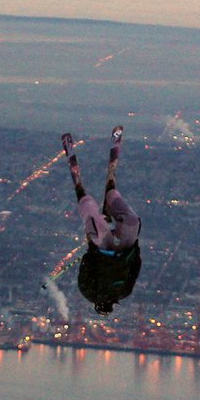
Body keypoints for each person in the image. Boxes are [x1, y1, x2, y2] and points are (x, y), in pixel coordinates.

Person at [63, 127, 142, 314]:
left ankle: (88, 198)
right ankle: (112, 196)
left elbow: (85, 269)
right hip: (123, 251)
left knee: (100, 223)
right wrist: (134, 250)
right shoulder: (123, 291)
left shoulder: (91, 292)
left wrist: (92, 249)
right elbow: (135, 268)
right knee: (131, 223)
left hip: (102, 250)